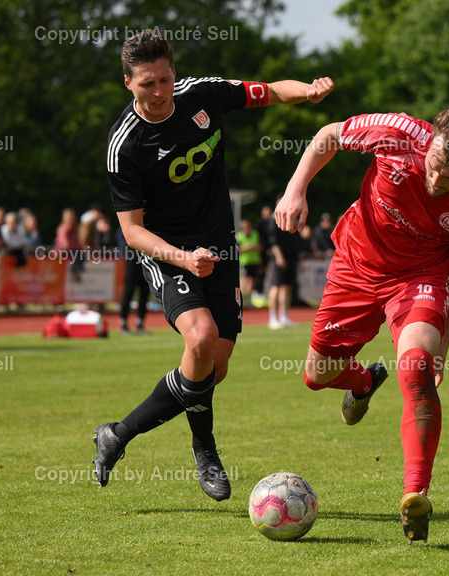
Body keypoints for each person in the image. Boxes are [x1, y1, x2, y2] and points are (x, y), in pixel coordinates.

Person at [93, 29, 333, 501]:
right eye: (147, 84)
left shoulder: (201, 94)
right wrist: (183, 257)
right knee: (200, 339)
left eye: (164, 80)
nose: (159, 92)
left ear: (174, 74)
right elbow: (132, 231)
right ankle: (206, 453)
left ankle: (117, 435)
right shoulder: (125, 145)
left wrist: (305, 91)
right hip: (168, 253)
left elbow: (265, 91)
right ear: (128, 83)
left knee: (211, 370)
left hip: (221, 248)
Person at [274, 106, 449, 543]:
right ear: (430, 142)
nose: (437, 182)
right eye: (434, 168)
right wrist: (295, 189)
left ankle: (416, 494)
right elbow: (330, 133)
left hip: (419, 280)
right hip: (354, 266)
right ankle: (362, 382)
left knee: (414, 368)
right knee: (317, 377)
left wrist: (444, 345)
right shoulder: (395, 132)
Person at [267, 211, 301, 329]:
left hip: (291, 258)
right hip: (279, 258)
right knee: (276, 286)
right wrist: (279, 256)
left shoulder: (294, 219)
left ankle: (284, 317)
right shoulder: (275, 219)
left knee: (287, 288)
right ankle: (272, 318)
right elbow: (273, 241)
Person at [116, 224, 151, 334]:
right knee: (128, 292)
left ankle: (140, 323)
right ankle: (123, 322)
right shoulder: (129, 223)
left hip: (145, 261)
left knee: (144, 292)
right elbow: (121, 238)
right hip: (131, 260)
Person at [236, 217, 262, 303]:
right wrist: (248, 247)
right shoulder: (239, 236)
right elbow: (237, 250)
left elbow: (261, 247)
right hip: (244, 261)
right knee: (244, 279)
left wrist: (254, 246)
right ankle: (242, 298)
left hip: (254, 260)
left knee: (253, 280)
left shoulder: (255, 234)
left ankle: (248, 298)